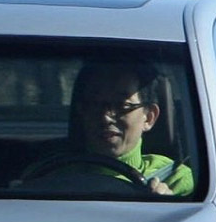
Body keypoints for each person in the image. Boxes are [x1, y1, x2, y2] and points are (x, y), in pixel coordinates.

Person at [27, 61, 194, 196]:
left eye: (122, 105)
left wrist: (167, 208)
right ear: (81, 112)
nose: (105, 116)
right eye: (94, 104)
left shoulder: (176, 179)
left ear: (149, 117)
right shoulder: (49, 177)